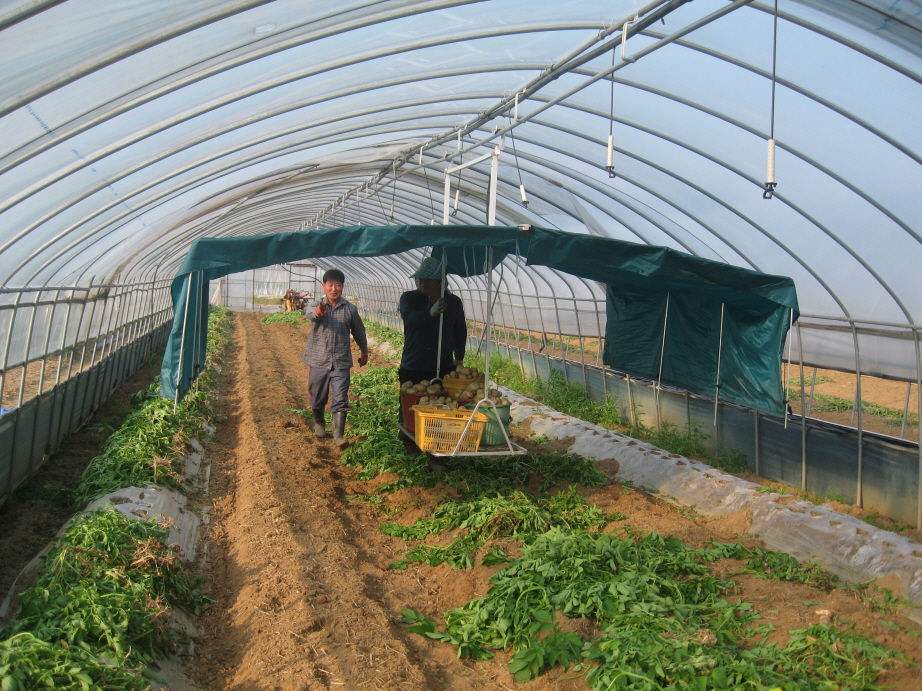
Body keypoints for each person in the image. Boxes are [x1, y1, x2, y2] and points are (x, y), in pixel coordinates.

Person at [302, 269, 369, 447]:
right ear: (324, 287)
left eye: (337, 285)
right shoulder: (315, 304)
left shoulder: (350, 309)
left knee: (340, 398)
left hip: (340, 361)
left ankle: (338, 436)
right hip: (318, 360)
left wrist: (364, 351)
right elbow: (310, 313)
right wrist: (318, 312)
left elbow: (359, 331)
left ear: (342, 287)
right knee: (317, 396)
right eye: (330, 285)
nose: (334, 288)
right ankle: (319, 424)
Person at [398, 257, 466, 387]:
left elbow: (459, 330)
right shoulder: (410, 298)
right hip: (414, 366)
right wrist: (429, 313)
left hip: (444, 367)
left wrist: (459, 357)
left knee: (443, 404)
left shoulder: (453, 302)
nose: (423, 282)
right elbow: (409, 319)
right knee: (410, 404)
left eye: (429, 279)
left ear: (440, 281)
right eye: (420, 278)